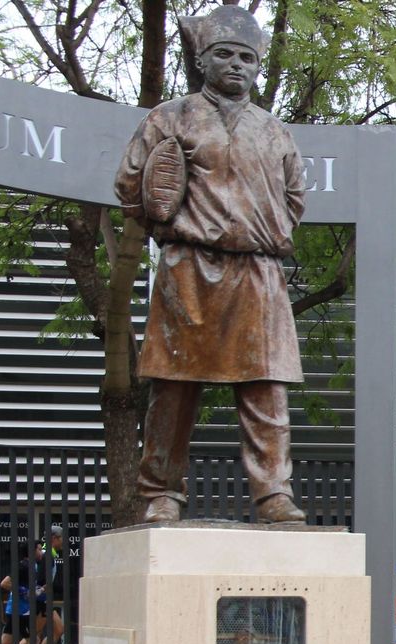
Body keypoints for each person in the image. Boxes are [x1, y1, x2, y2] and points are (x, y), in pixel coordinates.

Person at [113, 4, 309, 524]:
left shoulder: (274, 131)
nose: (237, 65)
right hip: (189, 266)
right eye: (224, 54)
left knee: (266, 388)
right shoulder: (168, 117)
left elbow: (294, 200)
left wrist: (265, 233)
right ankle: (160, 492)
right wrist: (167, 222)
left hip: (259, 271)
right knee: (173, 388)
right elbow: (132, 187)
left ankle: (273, 493)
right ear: (202, 60)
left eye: (247, 57)